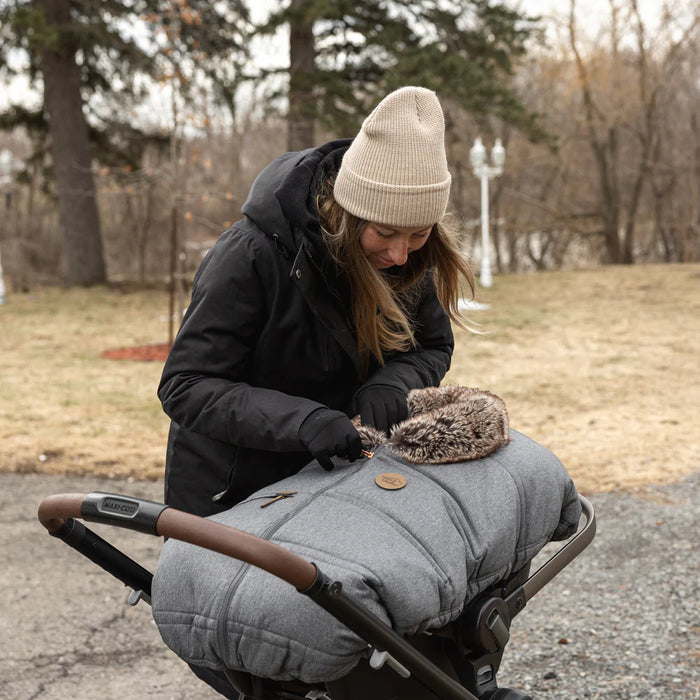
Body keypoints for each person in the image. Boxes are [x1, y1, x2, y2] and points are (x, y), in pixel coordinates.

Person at [158, 85, 474, 520]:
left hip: (336, 488)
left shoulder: (409, 261)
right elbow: (187, 386)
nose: (400, 254)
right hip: (231, 499)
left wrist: (394, 382)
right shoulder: (251, 254)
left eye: (418, 235)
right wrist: (302, 421)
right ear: (349, 213)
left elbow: (432, 346)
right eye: (384, 233)